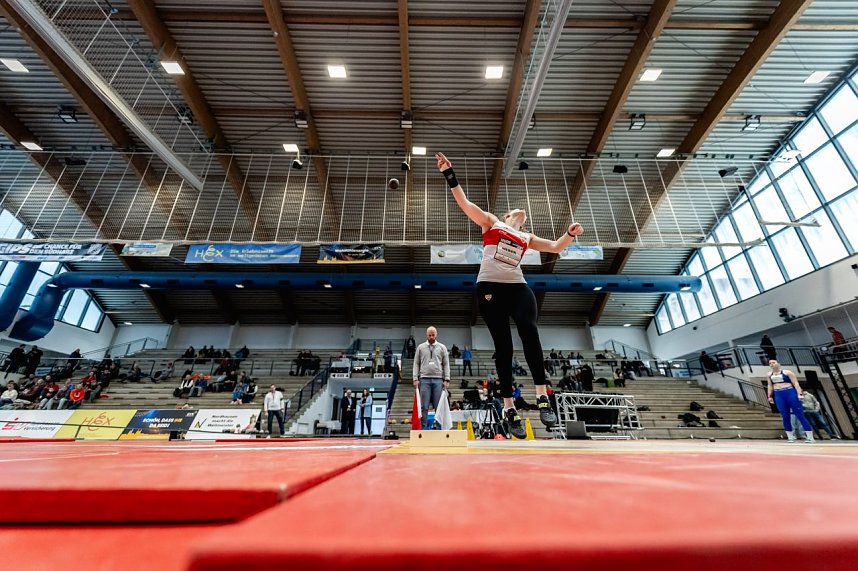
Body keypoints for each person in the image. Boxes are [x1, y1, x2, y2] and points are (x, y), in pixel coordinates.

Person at [437, 151, 582, 439]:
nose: (522, 211)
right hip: (490, 288)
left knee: (530, 331)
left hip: (518, 288)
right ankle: (509, 408)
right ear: (506, 216)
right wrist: (448, 173)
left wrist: (570, 233)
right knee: (504, 348)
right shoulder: (491, 222)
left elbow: (554, 247)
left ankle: (542, 396)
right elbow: (464, 203)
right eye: (516, 209)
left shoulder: (526, 237)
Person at [412, 326, 451, 430]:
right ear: (426, 335)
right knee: (423, 407)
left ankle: (439, 429)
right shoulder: (420, 347)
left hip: (438, 380)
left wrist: (447, 379)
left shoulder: (442, 347)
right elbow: (416, 363)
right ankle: (423, 429)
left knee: (439, 407)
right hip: (424, 379)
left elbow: (446, 364)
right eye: (429, 335)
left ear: (436, 334)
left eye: (433, 335)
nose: (431, 337)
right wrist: (415, 378)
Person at [766, 359, 813, 443]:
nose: (771, 364)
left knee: (800, 415)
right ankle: (790, 437)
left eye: (773, 362)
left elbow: (796, 383)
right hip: (778, 394)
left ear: (778, 363)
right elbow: (770, 385)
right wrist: (769, 396)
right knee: (785, 416)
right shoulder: (769, 375)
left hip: (790, 392)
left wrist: (799, 394)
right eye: (770, 363)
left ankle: (810, 437)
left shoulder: (787, 372)